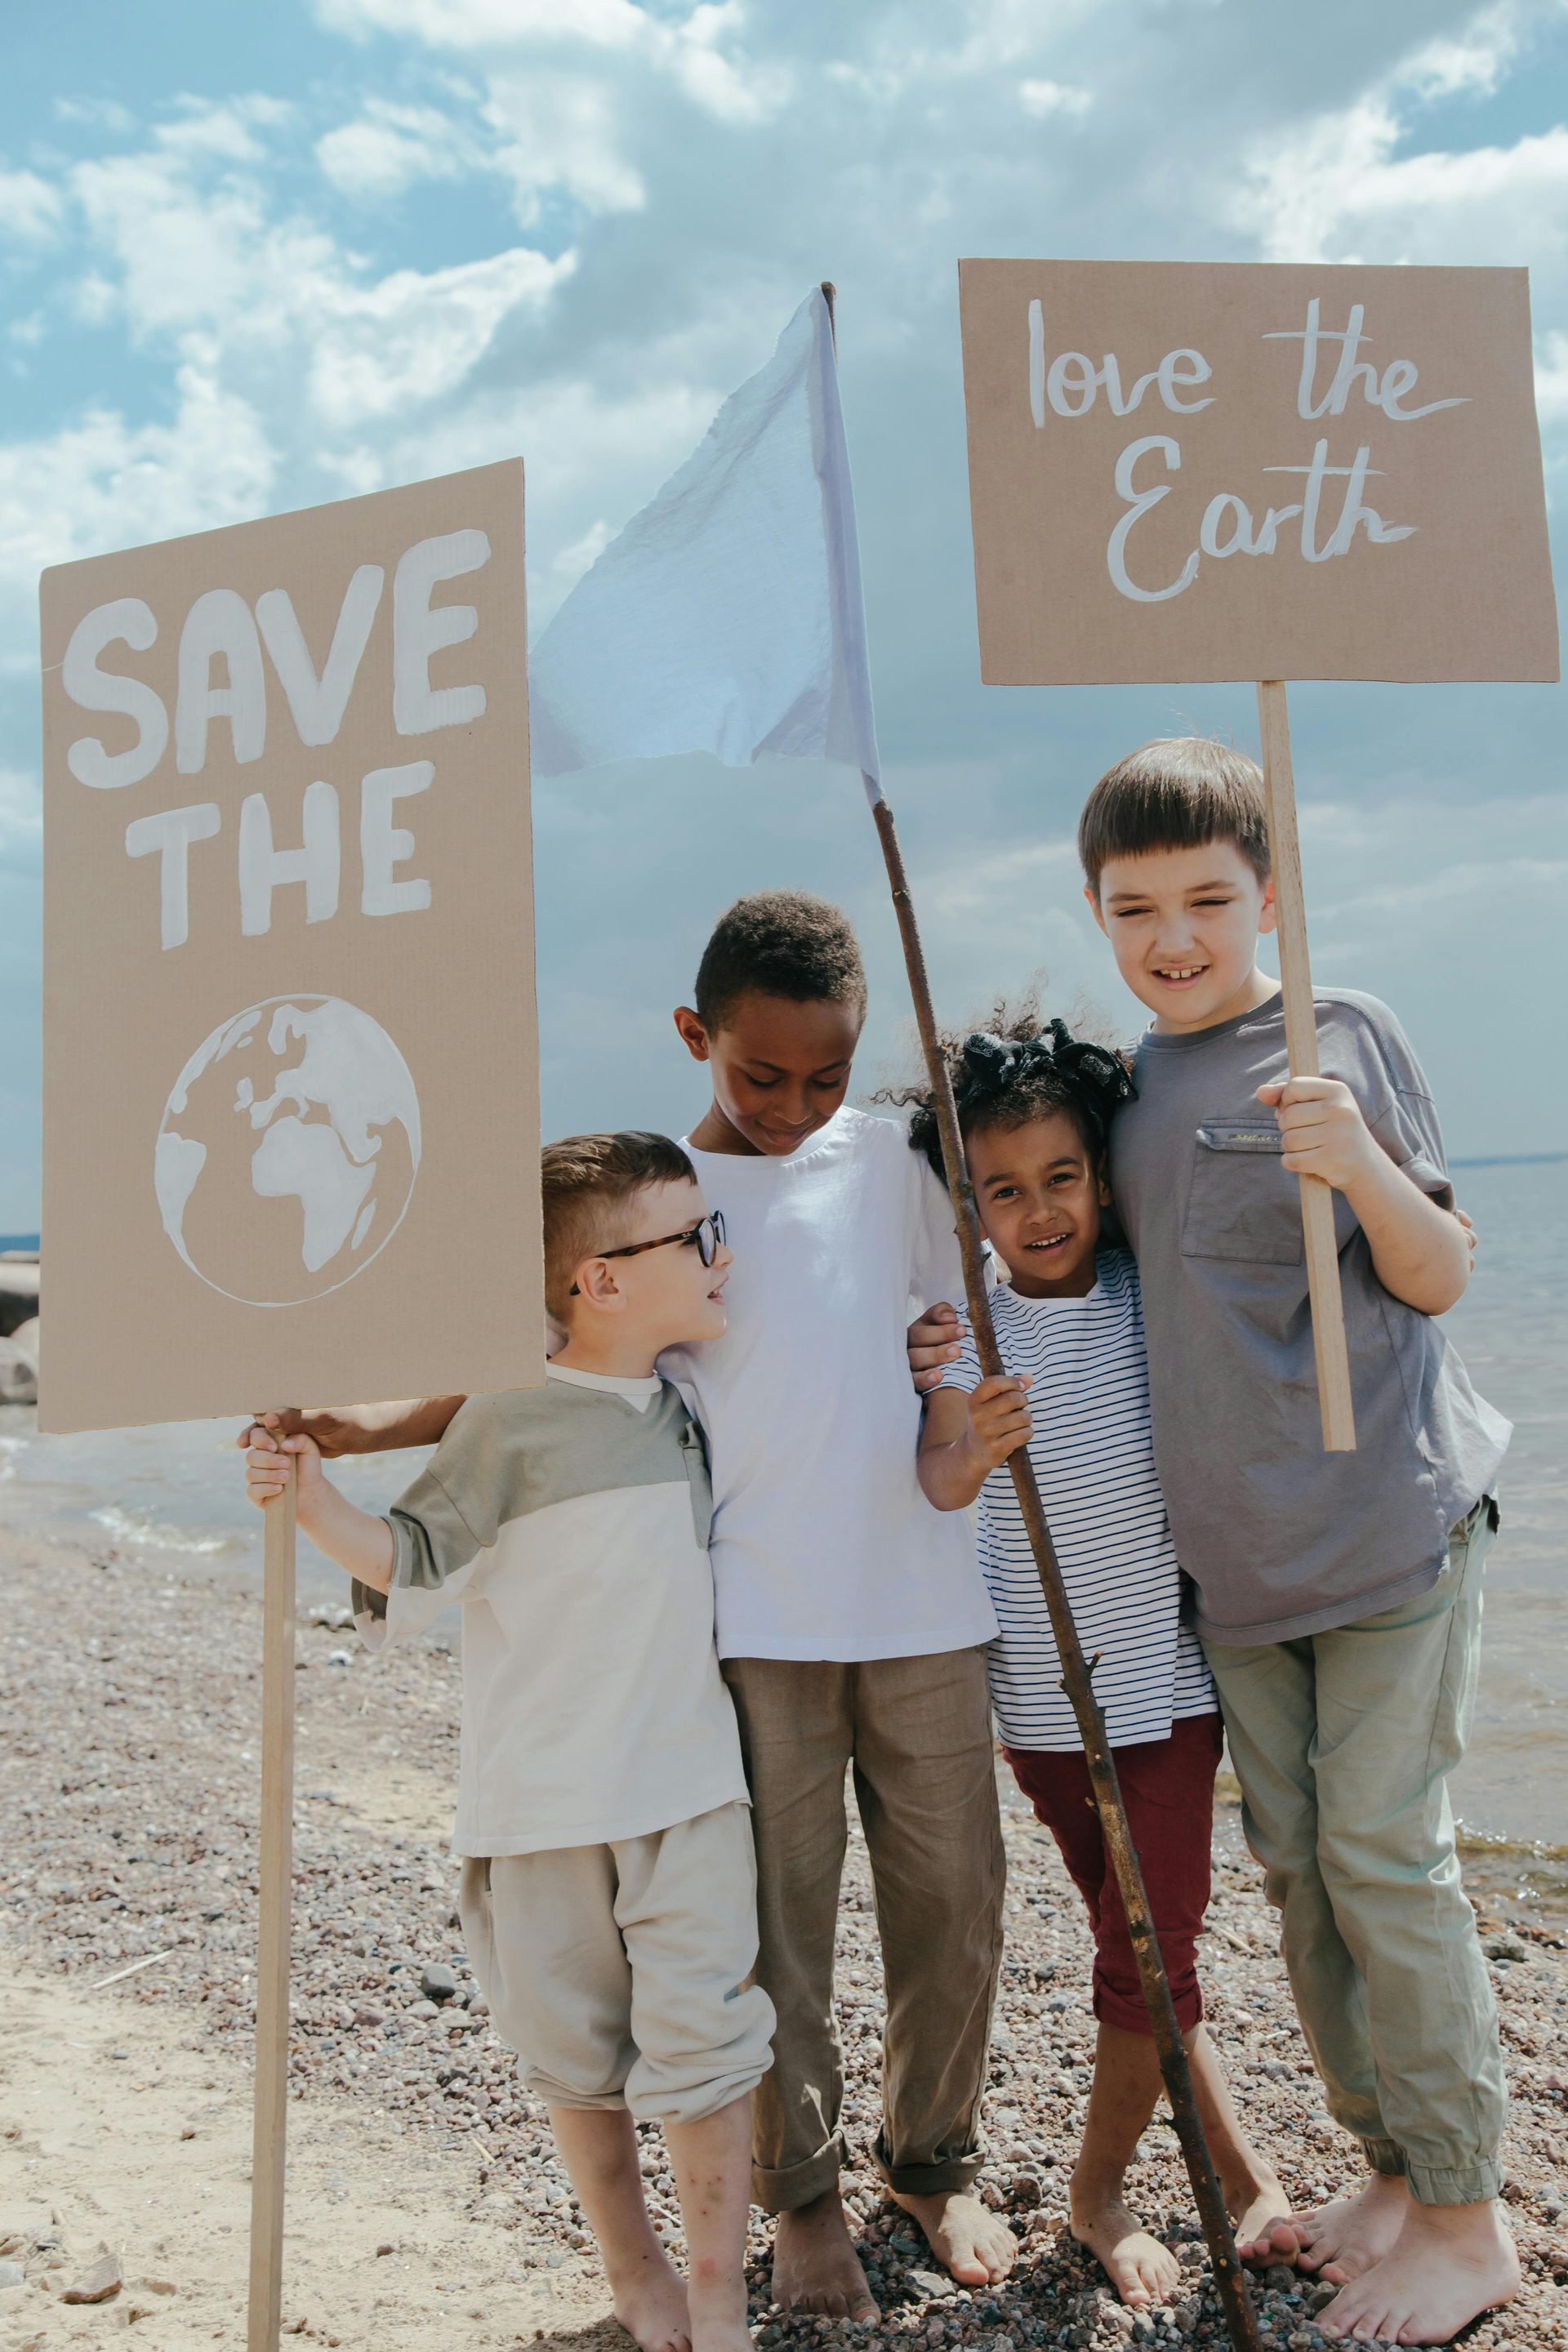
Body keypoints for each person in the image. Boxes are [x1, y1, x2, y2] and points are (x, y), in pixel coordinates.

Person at [248, 893, 1015, 2324]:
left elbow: (981, 1297)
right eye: (762, 1075)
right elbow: (538, 1366)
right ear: (695, 1039)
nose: (797, 1106)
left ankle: (935, 2156)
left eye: (828, 1075)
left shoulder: (900, 1160)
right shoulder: (657, 1200)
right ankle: (805, 2201)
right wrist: (357, 1433)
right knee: (772, 1937)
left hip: (920, 1600)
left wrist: (961, 1372)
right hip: (750, 1627)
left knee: (957, 1902)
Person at [912, 739, 1515, 2348]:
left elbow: (1443, 1270)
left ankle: (1468, 2211)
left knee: (1390, 1856)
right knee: (1306, 1874)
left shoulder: (1339, 1033)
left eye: (1209, 899)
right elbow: (1056, 1266)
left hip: (1384, 1530)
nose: (1174, 935)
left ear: (1272, 894)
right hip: (1238, 1583)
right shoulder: (1132, 1091)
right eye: (1135, 907)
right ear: (1097, 913)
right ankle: (1392, 2165)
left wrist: (1356, 1162)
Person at [245, 1132, 772, 2352]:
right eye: (699, 1238)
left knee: (706, 2047)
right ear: (600, 1283)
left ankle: (720, 2295)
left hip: (689, 1791)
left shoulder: (687, 1403)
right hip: (537, 1806)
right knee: (577, 2063)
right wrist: (311, 1492)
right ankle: (637, 2278)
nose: (722, 1256)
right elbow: (411, 1558)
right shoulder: (513, 1418)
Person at [898, 1005, 1286, 2310]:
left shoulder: (1141, 1296)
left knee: (1152, 1944)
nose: (1041, 1209)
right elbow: (941, 1484)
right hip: (1047, 1708)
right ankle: (1172, 2187)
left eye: (1063, 1177)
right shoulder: (967, 1330)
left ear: (1100, 1177)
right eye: (1004, 1191)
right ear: (970, 1204)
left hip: (1169, 1689)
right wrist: (973, 1446)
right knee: (1145, 1944)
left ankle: (1123, 2182)